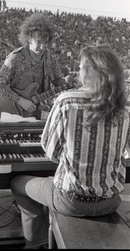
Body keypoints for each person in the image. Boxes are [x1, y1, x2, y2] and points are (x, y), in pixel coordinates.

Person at [10, 44, 130, 249]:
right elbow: (125, 156)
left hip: (71, 202)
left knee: (17, 183)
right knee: (51, 182)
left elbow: (51, 152)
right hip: (110, 201)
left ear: (92, 70)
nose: (79, 72)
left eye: (82, 67)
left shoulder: (67, 101)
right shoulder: (124, 111)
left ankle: (36, 241)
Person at [0, 13, 70, 120]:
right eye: (39, 42)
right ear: (29, 38)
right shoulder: (15, 58)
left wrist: (70, 87)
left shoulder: (50, 58)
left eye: (46, 42)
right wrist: (20, 101)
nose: (43, 46)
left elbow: (59, 82)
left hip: (37, 111)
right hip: (13, 111)